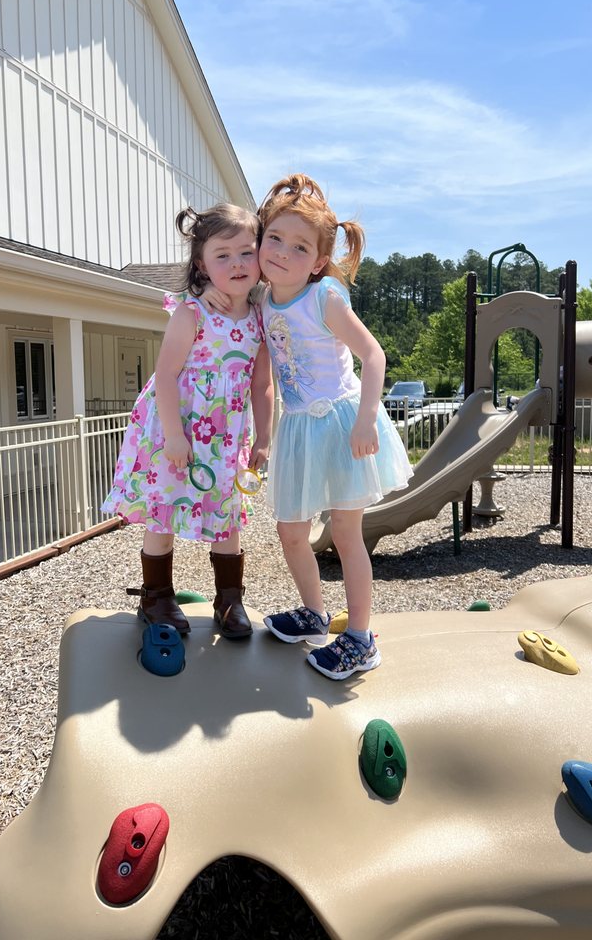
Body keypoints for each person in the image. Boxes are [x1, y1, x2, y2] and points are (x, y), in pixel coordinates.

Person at [204, 176, 412, 678]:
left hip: (342, 424)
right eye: (273, 239)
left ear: (317, 262)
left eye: (299, 247)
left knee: (345, 533)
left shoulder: (325, 299)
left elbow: (373, 354)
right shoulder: (260, 300)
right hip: (298, 428)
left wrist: (366, 419)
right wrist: (212, 292)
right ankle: (315, 614)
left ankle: (361, 637)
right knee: (291, 531)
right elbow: (228, 294)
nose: (281, 253)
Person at [101, 203, 273, 639]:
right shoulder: (190, 312)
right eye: (222, 255)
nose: (236, 263)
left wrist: (264, 438)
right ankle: (156, 597)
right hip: (174, 428)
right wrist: (176, 437)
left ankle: (229, 599)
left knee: (228, 515)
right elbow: (165, 375)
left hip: (227, 435)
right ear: (202, 264)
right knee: (164, 509)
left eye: (245, 253)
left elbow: (261, 385)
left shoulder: (260, 317)